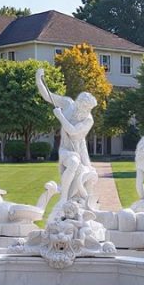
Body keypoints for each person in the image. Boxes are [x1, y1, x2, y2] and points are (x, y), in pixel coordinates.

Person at [35, 67, 98, 207]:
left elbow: (73, 131)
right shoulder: (69, 104)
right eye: (85, 106)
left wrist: (60, 116)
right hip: (65, 149)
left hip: (78, 151)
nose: (86, 110)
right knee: (73, 163)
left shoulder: (88, 119)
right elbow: (48, 96)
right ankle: (64, 197)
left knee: (86, 176)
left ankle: (82, 201)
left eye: (88, 108)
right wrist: (39, 80)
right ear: (80, 103)